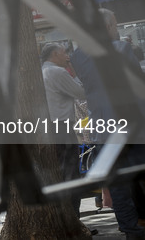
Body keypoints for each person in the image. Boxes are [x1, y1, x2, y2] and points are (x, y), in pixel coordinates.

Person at [71, 8, 145, 239]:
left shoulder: (77, 57)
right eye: (114, 24)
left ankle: (130, 229)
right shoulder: (121, 49)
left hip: (102, 129)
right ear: (107, 26)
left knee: (118, 186)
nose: (115, 28)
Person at [41, 43, 86, 218]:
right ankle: (74, 218)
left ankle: (66, 218)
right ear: (54, 54)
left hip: (50, 127)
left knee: (60, 172)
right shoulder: (57, 72)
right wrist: (73, 71)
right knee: (71, 173)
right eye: (64, 53)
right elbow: (81, 92)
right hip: (63, 126)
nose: (67, 56)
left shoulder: (42, 71)